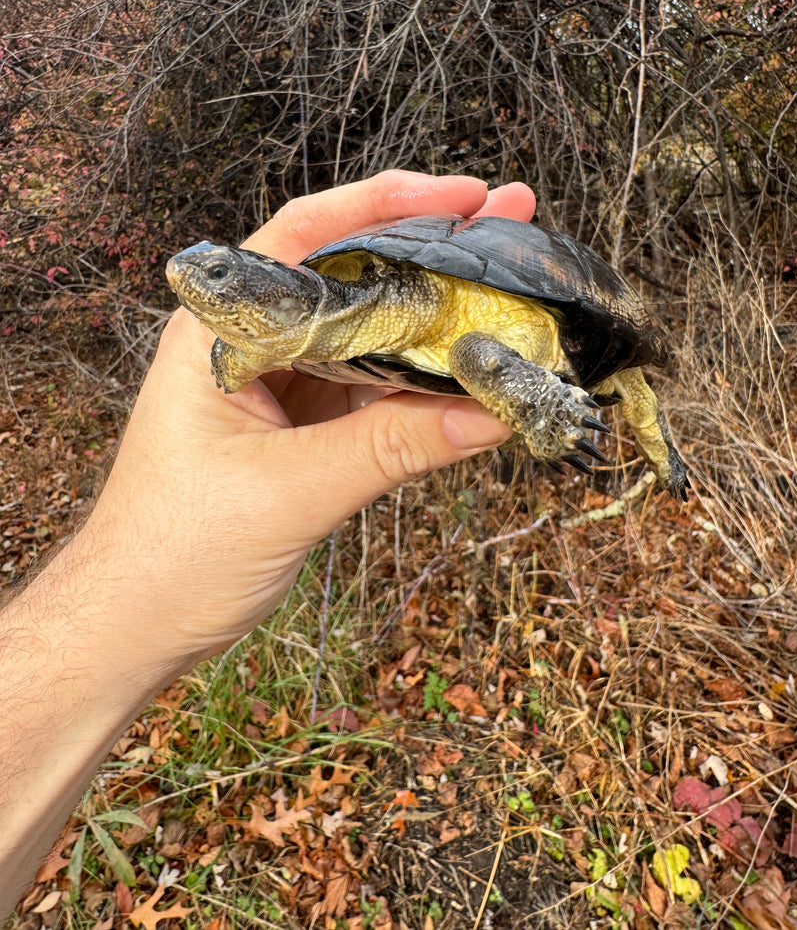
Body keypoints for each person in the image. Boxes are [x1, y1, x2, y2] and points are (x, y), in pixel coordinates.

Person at [0, 170, 536, 916]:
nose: (198, 281)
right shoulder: (257, 347)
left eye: (222, 273)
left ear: (268, 286)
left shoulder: (376, 291)